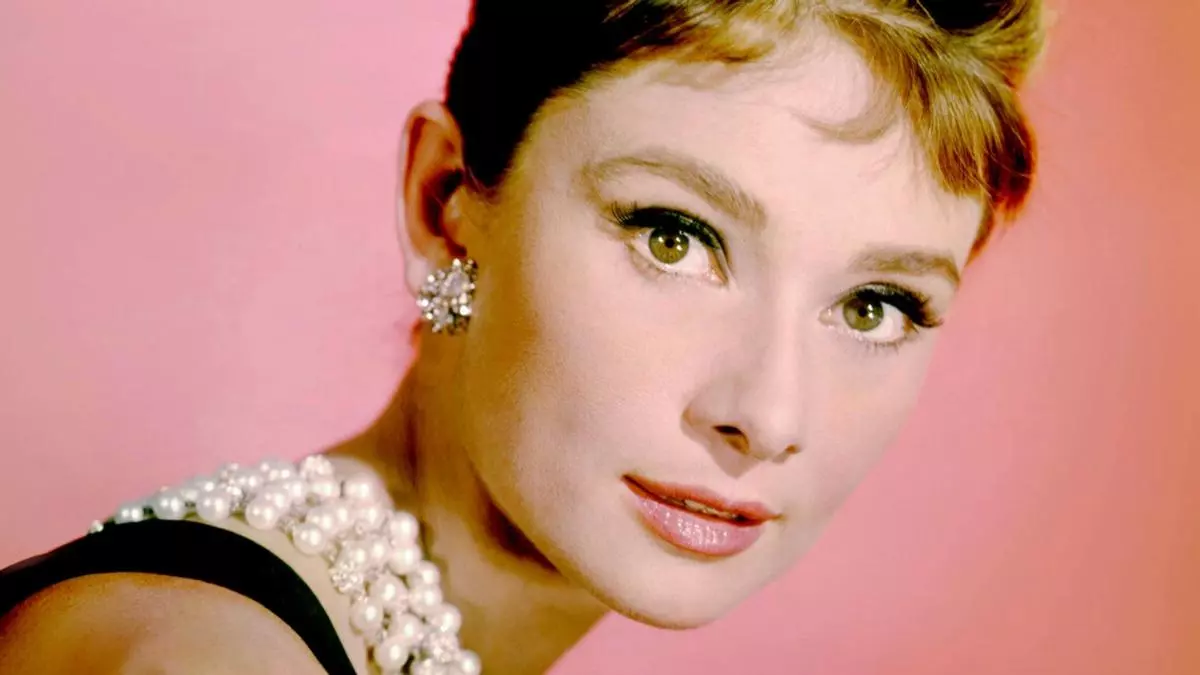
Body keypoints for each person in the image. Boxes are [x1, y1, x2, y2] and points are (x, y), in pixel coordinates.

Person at [0, 1, 1046, 673]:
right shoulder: (205, 654)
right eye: (673, 237)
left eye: (875, 306)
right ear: (444, 204)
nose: (767, 415)